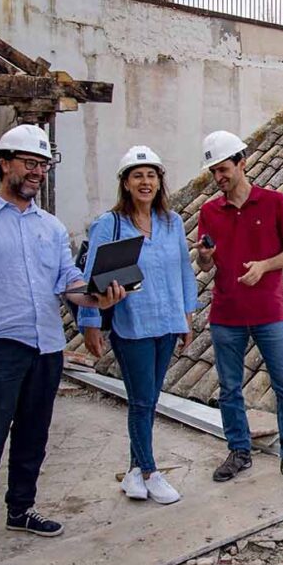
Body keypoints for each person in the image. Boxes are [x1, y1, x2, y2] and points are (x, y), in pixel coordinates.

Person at [0, 124, 126, 565]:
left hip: (47, 346)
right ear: (5, 163)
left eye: (43, 165)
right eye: (29, 163)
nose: (37, 172)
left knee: (34, 434)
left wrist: (97, 295)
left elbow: (67, 285)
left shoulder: (51, 228)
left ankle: (21, 509)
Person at [195, 130, 283, 486]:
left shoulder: (274, 202)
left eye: (224, 169)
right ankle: (238, 451)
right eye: (214, 172)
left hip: (269, 311)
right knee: (230, 389)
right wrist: (204, 257)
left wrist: (264, 266)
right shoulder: (209, 211)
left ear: (242, 163)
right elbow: (207, 266)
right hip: (226, 313)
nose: (219, 177)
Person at [79, 145, 198, 505]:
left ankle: (133, 472)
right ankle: (149, 471)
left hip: (166, 322)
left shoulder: (171, 222)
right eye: (137, 176)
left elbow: (182, 271)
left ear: (159, 181)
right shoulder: (109, 224)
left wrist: (187, 317)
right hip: (132, 325)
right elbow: (91, 278)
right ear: (126, 183)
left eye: (151, 175)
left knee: (148, 399)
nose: (145, 182)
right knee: (142, 400)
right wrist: (90, 325)